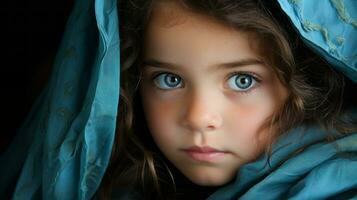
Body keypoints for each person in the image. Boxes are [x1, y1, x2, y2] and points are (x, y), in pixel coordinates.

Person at [1, 0, 356, 199]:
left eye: (242, 80)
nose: (199, 118)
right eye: (169, 79)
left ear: (305, 84)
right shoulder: (114, 183)